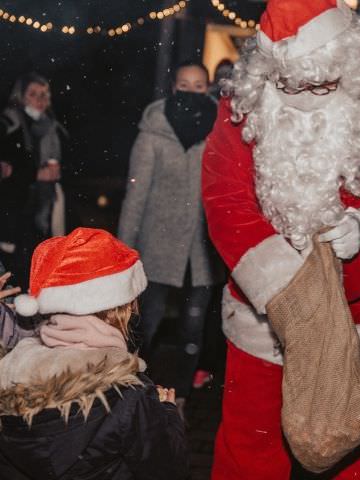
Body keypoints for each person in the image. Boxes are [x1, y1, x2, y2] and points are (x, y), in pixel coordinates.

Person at [201, 1, 360, 478]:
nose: (302, 99)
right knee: (249, 448)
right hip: (265, 319)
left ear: (351, 64)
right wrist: (288, 287)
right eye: (288, 85)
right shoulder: (242, 108)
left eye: (320, 86)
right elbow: (224, 201)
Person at [0, 227, 188, 480]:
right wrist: (166, 413)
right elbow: (168, 469)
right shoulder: (127, 395)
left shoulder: (11, 377)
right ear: (119, 310)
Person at [118, 60, 225, 416]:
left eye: (199, 87)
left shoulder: (219, 131)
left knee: (193, 326)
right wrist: (123, 249)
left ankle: (181, 396)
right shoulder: (153, 132)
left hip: (201, 249)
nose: (191, 93)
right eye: (184, 84)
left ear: (207, 88)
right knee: (146, 323)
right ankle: (133, 391)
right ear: (173, 85)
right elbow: (136, 196)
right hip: (158, 243)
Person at [0, 72, 68, 290]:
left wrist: (58, 170)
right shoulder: (9, 123)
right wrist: (35, 174)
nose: (39, 100)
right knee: (13, 273)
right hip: (14, 210)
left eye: (44, 94)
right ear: (21, 96)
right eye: (33, 94)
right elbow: (6, 170)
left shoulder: (52, 127)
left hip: (43, 208)